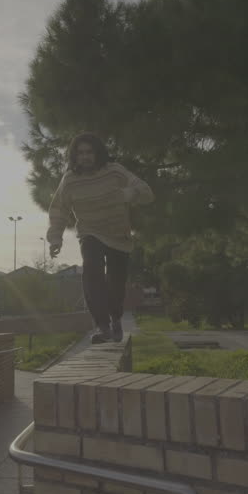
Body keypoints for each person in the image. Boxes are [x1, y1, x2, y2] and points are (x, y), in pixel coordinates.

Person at [46, 132, 154, 343]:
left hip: (118, 235)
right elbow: (59, 209)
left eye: (89, 152)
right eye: (80, 153)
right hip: (90, 232)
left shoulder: (114, 171)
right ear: (74, 157)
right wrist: (55, 238)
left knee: (116, 283)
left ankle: (115, 318)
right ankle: (102, 326)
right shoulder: (70, 180)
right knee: (92, 272)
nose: (85, 157)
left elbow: (147, 192)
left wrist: (128, 194)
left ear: (97, 154)